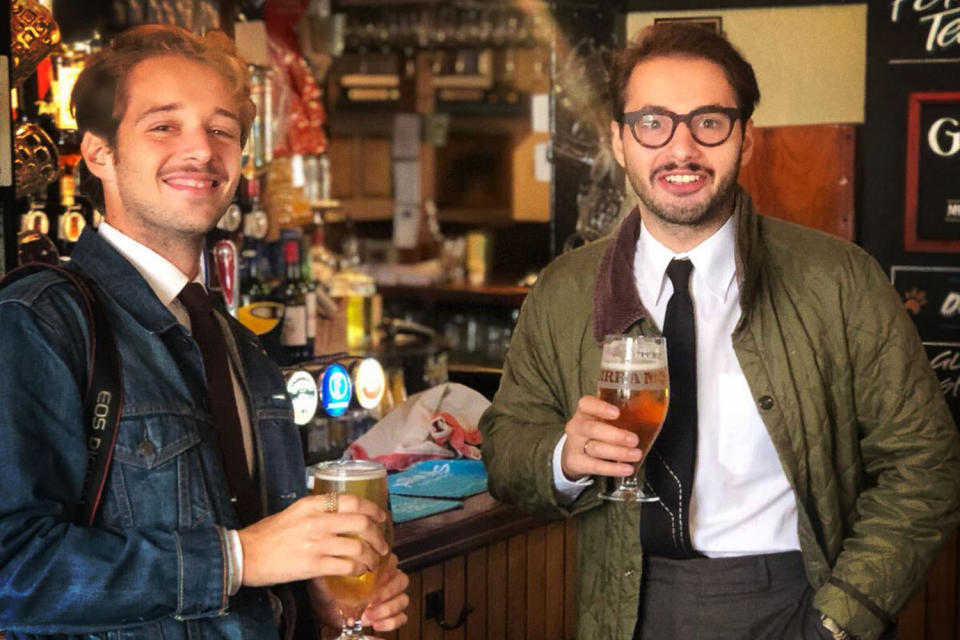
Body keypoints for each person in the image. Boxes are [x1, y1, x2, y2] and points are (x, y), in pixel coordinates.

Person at [479, 22, 960, 640]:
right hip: (621, 606)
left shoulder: (840, 281)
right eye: (653, 123)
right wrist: (561, 459)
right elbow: (503, 445)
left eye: (709, 121)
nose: (681, 150)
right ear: (620, 142)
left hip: (797, 599)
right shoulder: (563, 290)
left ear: (746, 139)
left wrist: (844, 618)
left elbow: (926, 465)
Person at [0, 25, 408, 639]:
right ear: (99, 153)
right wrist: (241, 559)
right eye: (164, 125)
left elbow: (258, 555)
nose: (201, 150)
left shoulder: (237, 345)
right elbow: (14, 573)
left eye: (222, 130)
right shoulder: (39, 322)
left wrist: (317, 600)